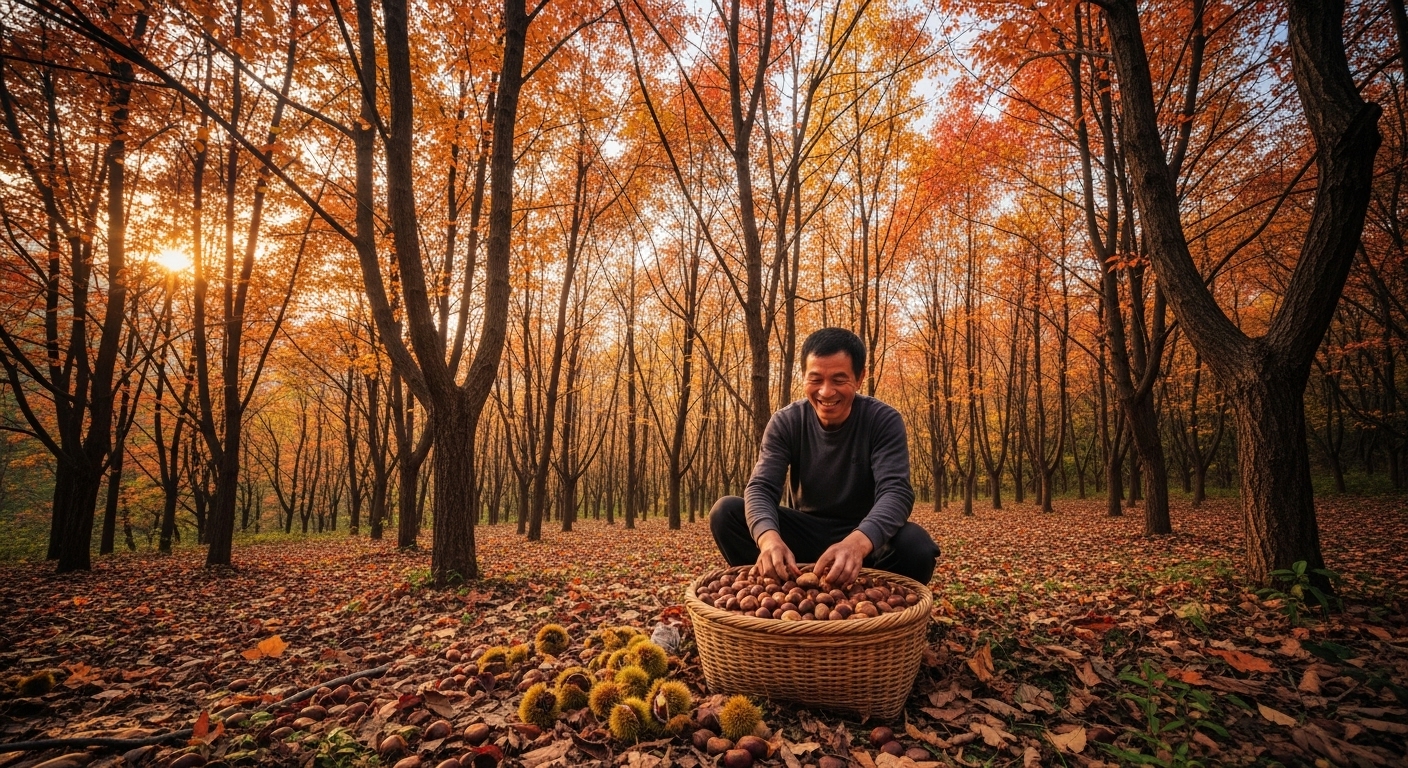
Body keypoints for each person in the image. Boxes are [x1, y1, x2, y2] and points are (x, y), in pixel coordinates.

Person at [709, 327, 940, 587]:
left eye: (839, 380)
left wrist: (856, 544)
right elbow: (761, 487)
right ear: (803, 376)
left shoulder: (882, 420)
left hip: (863, 536)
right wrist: (769, 540)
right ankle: (779, 588)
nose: (826, 392)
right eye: (816, 379)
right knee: (726, 512)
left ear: (860, 377)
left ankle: (883, 612)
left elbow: (896, 492)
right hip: (803, 533)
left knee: (916, 545)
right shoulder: (787, 422)